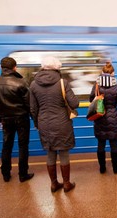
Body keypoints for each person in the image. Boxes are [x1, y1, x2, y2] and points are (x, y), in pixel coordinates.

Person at [29, 56, 78, 192]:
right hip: (62, 122)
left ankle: (54, 184)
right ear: (57, 68)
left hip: (44, 123)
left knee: (50, 153)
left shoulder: (33, 84)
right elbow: (74, 103)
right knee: (63, 153)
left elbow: (33, 109)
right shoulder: (63, 83)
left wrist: (37, 123)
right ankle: (67, 184)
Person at [0, 57, 34, 183]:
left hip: (5, 120)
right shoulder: (21, 82)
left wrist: (0, 118)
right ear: (15, 68)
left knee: (6, 146)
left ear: (1, 68)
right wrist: (34, 119)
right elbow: (29, 105)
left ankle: (6, 174)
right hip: (21, 119)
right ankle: (23, 174)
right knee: (23, 146)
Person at [89, 62, 117, 174]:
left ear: (102, 73)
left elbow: (91, 100)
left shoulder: (96, 86)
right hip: (113, 118)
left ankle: (102, 168)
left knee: (101, 144)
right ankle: (115, 168)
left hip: (99, 117)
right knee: (114, 145)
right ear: (112, 73)